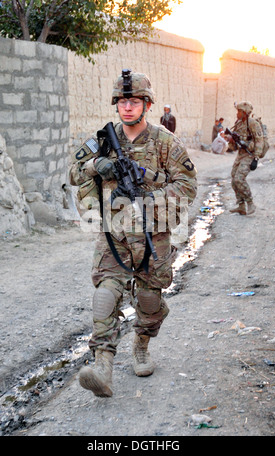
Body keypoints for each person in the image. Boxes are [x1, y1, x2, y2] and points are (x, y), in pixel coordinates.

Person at [69, 70, 197, 397]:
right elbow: (72, 173)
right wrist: (94, 166)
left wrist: (147, 201)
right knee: (105, 293)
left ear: (147, 104)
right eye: (123, 101)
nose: (127, 107)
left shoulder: (166, 142)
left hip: (153, 234)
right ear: (116, 104)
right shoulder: (101, 140)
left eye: (134, 101)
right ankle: (102, 366)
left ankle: (141, 342)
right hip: (115, 234)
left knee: (149, 300)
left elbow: (187, 185)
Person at [227, 101, 263, 215]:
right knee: (233, 178)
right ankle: (241, 205)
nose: (237, 113)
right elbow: (233, 147)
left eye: (239, 111)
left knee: (239, 178)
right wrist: (231, 141)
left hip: (250, 154)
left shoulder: (252, 123)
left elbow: (259, 140)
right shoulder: (238, 124)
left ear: (245, 112)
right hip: (241, 154)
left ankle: (250, 202)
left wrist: (256, 158)